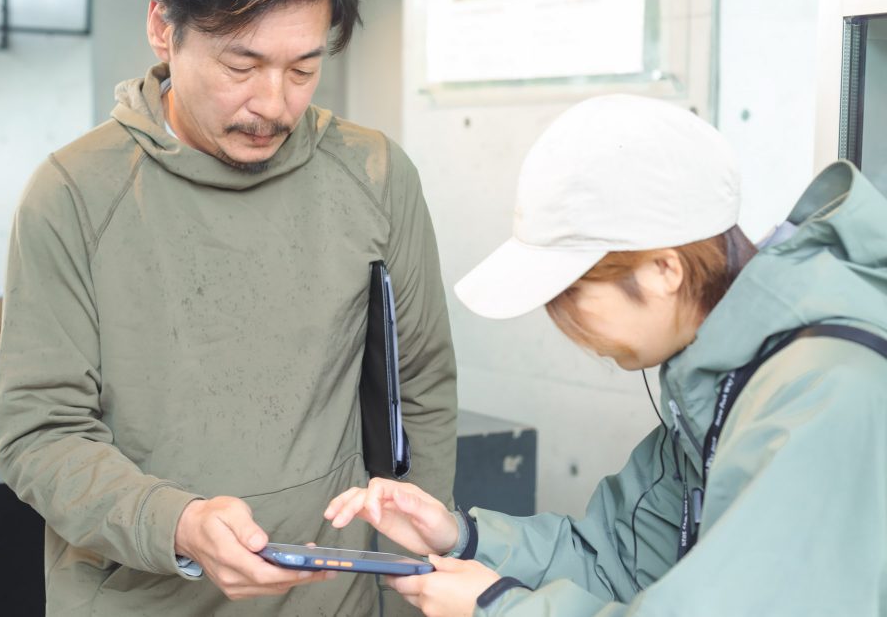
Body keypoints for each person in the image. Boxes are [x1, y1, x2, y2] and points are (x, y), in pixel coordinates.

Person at [0, 0, 457, 615]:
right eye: (242, 65)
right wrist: (177, 524)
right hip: (140, 599)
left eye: (303, 68)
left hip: (333, 600)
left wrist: (414, 572)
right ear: (163, 27)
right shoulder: (73, 192)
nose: (273, 104)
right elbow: (39, 432)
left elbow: (422, 386)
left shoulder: (376, 174)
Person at [324, 94, 887, 616]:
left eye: (571, 293)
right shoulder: (720, 378)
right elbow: (619, 561)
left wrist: (497, 607)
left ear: (664, 269)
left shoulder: (824, 392)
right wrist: (461, 537)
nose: (565, 324)